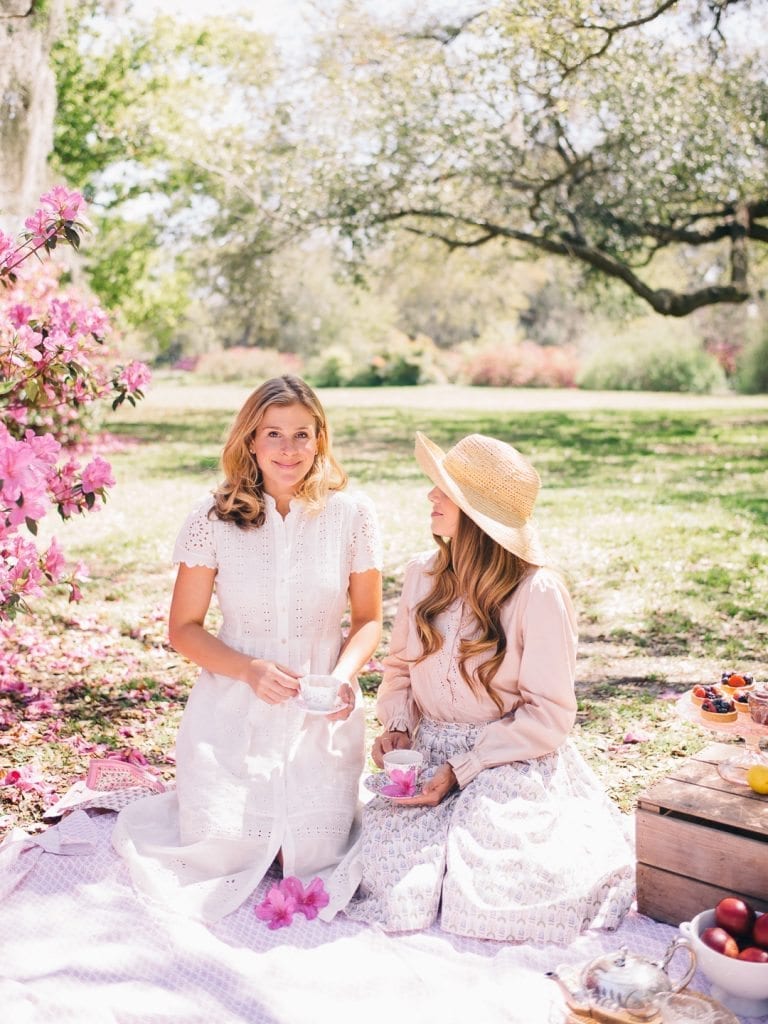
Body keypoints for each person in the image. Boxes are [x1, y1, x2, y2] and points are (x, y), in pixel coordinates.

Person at [343, 432, 634, 944]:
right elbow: (400, 668)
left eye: (443, 490)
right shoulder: (423, 574)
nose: (430, 497)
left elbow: (549, 717)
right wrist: (399, 728)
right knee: (377, 875)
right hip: (430, 747)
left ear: (476, 514)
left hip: (508, 755)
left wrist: (465, 769)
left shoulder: (537, 592)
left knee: (499, 888)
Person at [113, 375, 383, 923]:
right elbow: (183, 628)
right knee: (230, 852)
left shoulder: (352, 516)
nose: (289, 450)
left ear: (320, 440)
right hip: (232, 711)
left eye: (302, 435)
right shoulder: (211, 519)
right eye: (274, 434)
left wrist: (344, 677)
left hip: (320, 713)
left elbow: (369, 620)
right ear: (250, 442)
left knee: (307, 855)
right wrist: (250, 669)